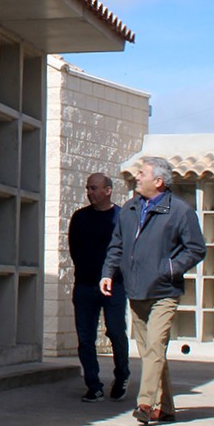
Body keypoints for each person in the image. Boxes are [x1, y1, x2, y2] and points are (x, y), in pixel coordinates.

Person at [100, 156, 205, 425]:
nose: (137, 176)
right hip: (136, 291)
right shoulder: (130, 209)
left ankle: (145, 403)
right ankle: (166, 407)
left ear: (158, 181)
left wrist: (169, 268)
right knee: (151, 353)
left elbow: (196, 248)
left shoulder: (180, 211)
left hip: (164, 291)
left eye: (142, 173)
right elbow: (117, 245)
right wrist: (108, 273)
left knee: (155, 347)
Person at [68, 172, 130, 402]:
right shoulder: (80, 218)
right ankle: (93, 385)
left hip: (114, 286)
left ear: (108, 190)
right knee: (85, 338)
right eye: (88, 188)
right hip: (85, 285)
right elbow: (75, 249)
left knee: (115, 332)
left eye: (94, 188)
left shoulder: (121, 218)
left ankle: (122, 374)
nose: (90, 193)